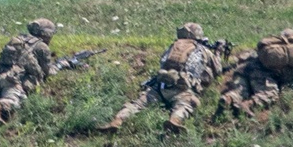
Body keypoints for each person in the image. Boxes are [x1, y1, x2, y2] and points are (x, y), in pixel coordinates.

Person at [97, 22, 226, 134]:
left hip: (160, 86)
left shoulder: (173, 46)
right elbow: (218, 70)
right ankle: (174, 120)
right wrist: (218, 52)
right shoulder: (202, 49)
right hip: (182, 89)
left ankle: (118, 120)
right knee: (185, 105)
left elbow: (163, 61)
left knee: (137, 104)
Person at [217, 29, 293, 118]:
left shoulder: (269, 47)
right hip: (263, 75)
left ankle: (228, 98)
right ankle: (248, 105)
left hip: (244, 69)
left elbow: (244, 58)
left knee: (240, 91)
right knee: (269, 93)